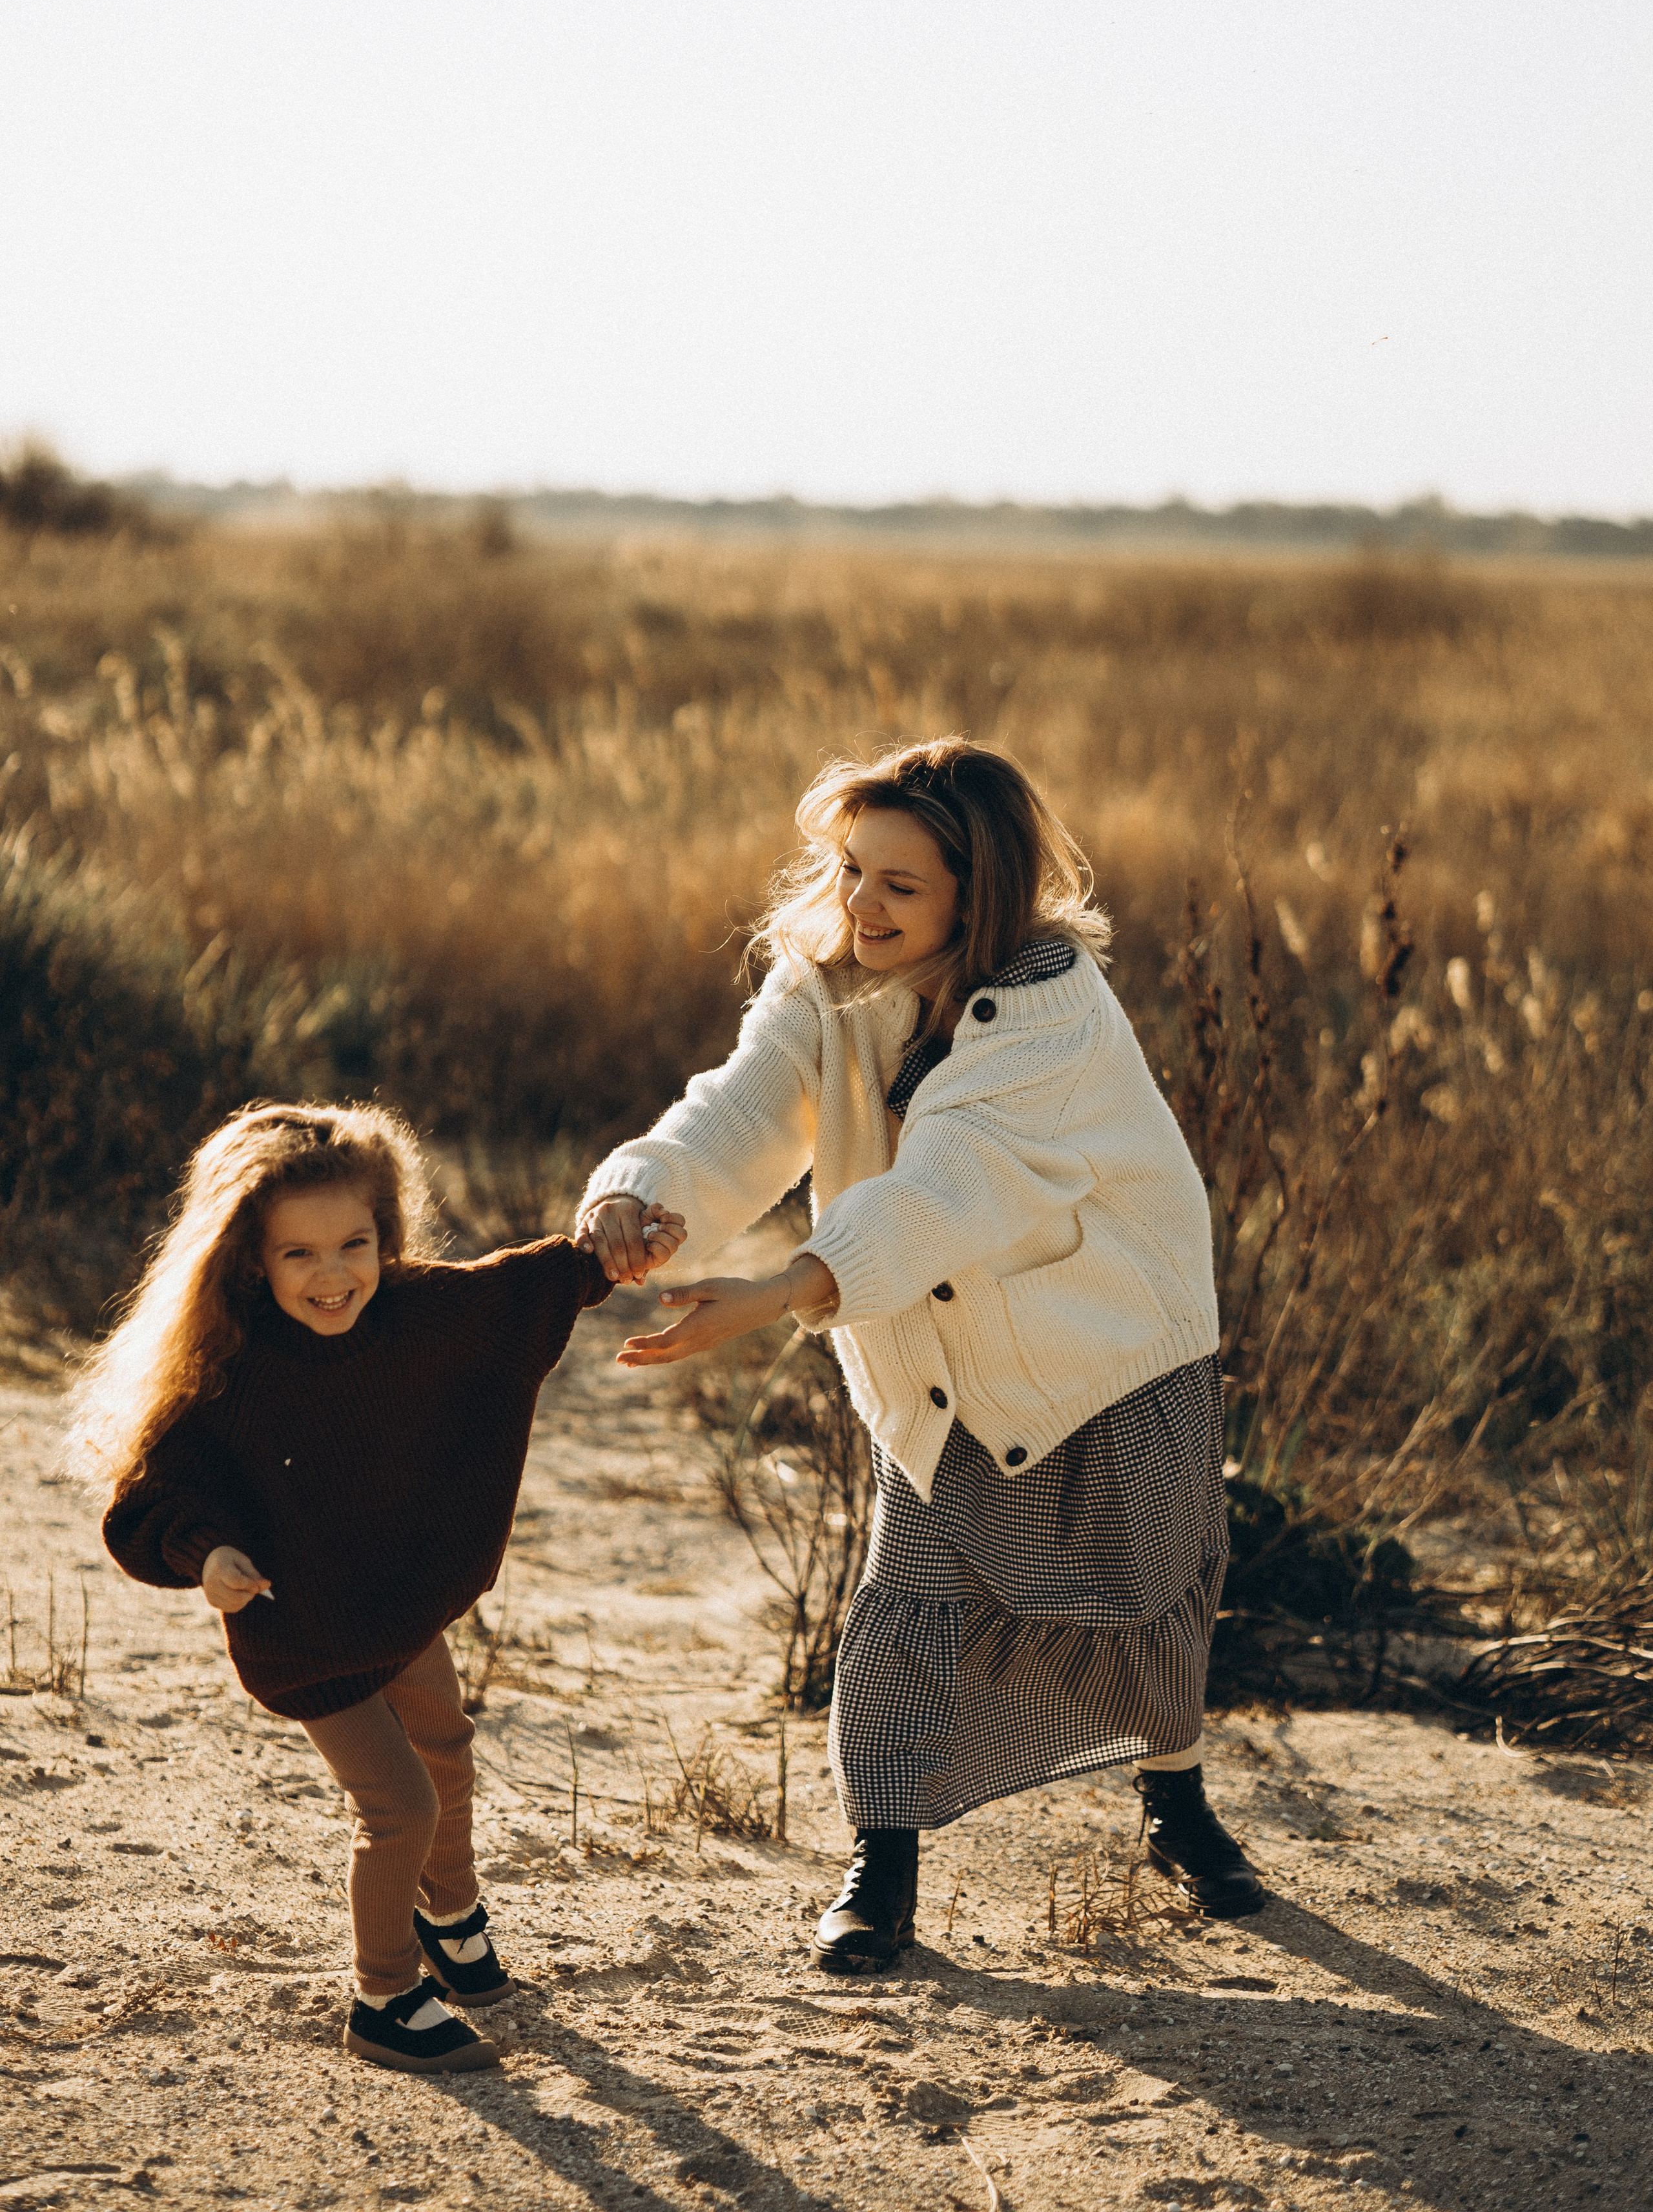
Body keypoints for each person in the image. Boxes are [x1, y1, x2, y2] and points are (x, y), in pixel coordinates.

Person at [577, 737, 1264, 1973]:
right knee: (907, 1603)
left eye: (901, 884)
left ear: (978, 891)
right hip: (931, 1359)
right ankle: (879, 1867)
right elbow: (737, 1112)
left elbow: (950, 1190)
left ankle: (1176, 1804)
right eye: (849, 870)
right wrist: (640, 1191)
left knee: (1151, 1588)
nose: (859, 905)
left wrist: (786, 1287)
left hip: (1104, 1340)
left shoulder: (1051, 1006)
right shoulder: (823, 983)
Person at [71, 1101, 683, 2073]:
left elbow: (508, 1294)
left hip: (396, 1606)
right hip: (302, 1631)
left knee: (445, 1743)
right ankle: (385, 1996)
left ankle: (452, 1916)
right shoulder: (226, 1372)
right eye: (298, 1256)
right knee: (400, 1806)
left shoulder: (415, 1313)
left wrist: (605, 1257)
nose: (333, 1275)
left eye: (354, 1244)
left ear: (384, 1238)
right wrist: (207, 1557)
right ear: (248, 1262)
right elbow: (153, 1496)